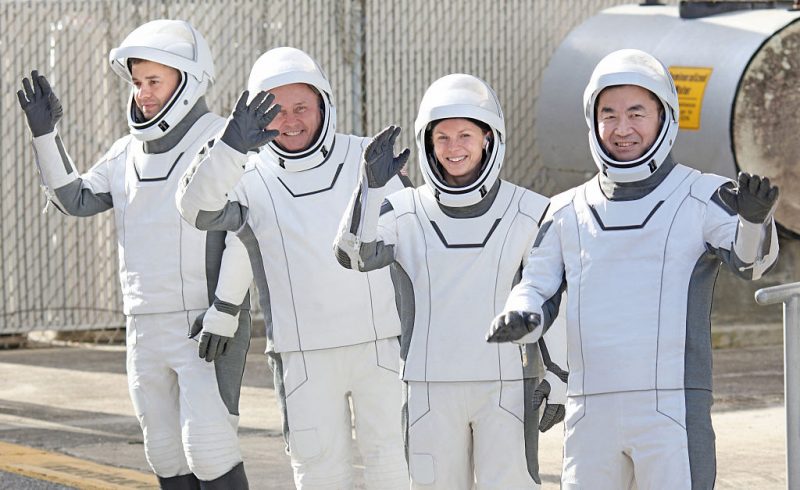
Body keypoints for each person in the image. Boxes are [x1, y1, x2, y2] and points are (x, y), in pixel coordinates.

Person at [486, 49, 780, 490]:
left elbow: (752, 263)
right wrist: (521, 316)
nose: (622, 129)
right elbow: (537, 286)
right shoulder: (566, 210)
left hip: (671, 407)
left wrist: (754, 221)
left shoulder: (702, 196)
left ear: (665, 115)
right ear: (593, 121)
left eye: (636, 113)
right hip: (590, 412)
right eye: (609, 114)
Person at [17, 19, 252, 489]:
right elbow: (74, 198)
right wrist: (46, 135)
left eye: (154, 82)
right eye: (138, 82)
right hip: (144, 325)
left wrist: (226, 309)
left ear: (187, 80)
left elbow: (246, 230)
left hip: (203, 325)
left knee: (209, 449)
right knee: (164, 453)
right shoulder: (127, 151)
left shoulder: (223, 139)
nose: (143, 94)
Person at [176, 47, 409, 489]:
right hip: (301, 356)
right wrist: (229, 148)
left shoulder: (369, 158)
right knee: (318, 472)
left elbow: (416, 247)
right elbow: (196, 211)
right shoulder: (246, 173)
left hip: (382, 348)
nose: (290, 121)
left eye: (301, 107)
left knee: (395, 467)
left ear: (324, 103)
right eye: (275, 111)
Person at [333, 73, 567, 489]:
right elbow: (353, 254)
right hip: (428, 386)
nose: (454, 148)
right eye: (442, 138)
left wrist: (559, 375)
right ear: (427, 144)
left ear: (489, 140)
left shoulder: (530, 210)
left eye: (465, 135)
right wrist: (369, 189)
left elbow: (552, 293)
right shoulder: (401, 209)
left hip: (508, 385)